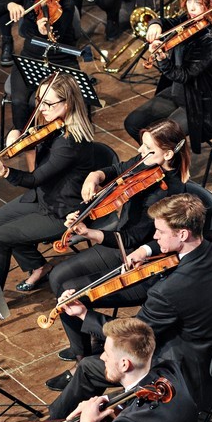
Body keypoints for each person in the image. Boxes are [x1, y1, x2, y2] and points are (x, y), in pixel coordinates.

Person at [47, 194, 212, 422]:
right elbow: (175, 247)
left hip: (180, 369)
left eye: (160, 232)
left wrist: (84, 314)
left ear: (183, 234)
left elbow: (130, 334)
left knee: (88, 367)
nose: (155, 236)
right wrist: (147, 250)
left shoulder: (168, 292)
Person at [45, 119, 189, 389]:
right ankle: (89, 342)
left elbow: (132, 238)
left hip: (139, 258)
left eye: (149, 148)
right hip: (119, 244)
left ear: (168, 154)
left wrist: (87, 233)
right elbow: (118, 169)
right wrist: (95, 176)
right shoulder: (147, 160)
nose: (141, 151)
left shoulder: (166, 192)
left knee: (69, 291)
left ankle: (83, 363)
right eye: (142, 145)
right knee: (57, 277)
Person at [0, 73, 95, 320]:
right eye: (39, 102)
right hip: (43, 197)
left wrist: (6, 171)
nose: (42, 109)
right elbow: (33, 140)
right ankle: (39, 266)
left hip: (61, 210)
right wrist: (15, 134)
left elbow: (34, 179)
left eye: (49, 104)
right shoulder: (54, 126)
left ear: (67, 104)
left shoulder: (69, 143)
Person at [4, 318, 198, 422]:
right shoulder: (169, 370)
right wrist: (104, 399)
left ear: (124, 364)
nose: (102, 357)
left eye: (106, 352)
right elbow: (137, 393)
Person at [124, 0, 212, 154]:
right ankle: (162, 163)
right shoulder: (189, 19)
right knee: (133, 123)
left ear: (211, 3)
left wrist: (162, 59)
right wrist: (155, 24)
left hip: (198, 101)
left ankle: (171, 170)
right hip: (177, 93)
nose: (192, 7)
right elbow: (168, 23)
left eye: (198, 2)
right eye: (189, 0)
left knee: (160, 141)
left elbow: (184, 75)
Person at [0, 0, 80, 131]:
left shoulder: (66, 1)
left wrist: (45, 31)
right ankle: (26, 142)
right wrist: (10, 3)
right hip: (30, 58)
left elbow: (60, 34)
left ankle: (54, 142)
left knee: (52, 103)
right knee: (20, 101)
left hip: (60, 61)